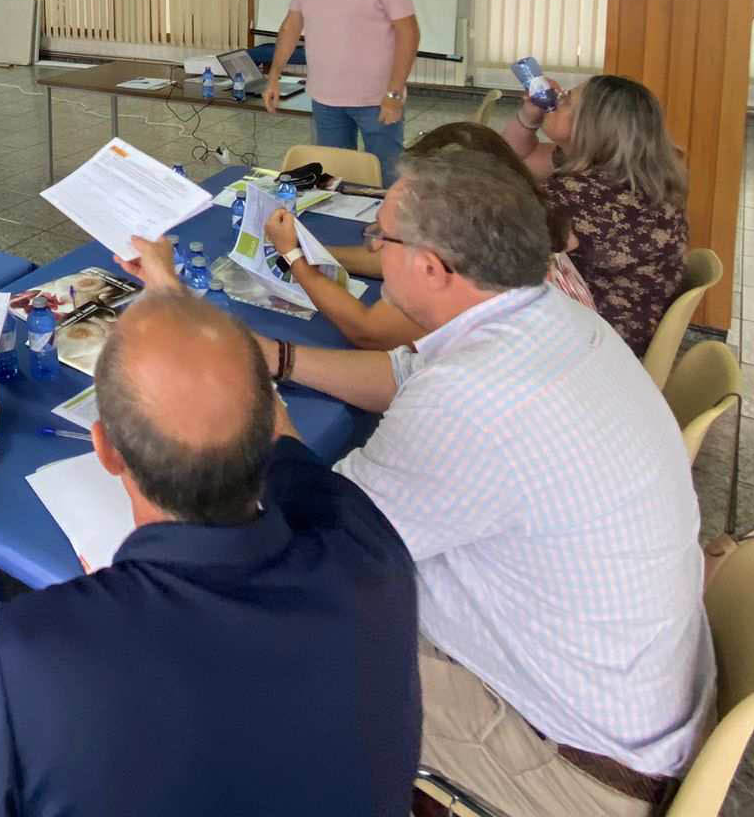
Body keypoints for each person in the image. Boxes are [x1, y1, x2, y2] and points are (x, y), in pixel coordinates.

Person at [260, 150, 713, 817]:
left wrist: (253, 406)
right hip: (623, 694)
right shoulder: (551, 318)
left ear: (433, 269)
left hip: (573, 766)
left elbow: (327, 540)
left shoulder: (477, 399)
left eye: (382, 237)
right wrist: (280, 359)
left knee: (261, 645)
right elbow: (403, 377)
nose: (372, 246)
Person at [0, 277, 420, 817]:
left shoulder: (31, 648)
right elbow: (296, 456)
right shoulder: (370, 550)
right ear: (264, 438)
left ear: (107, 451)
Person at [264, 120, 596, 349]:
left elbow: (368, 332)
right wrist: (310, 249)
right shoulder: (510, 223)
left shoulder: (483, 267)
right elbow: (386, 260)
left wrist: (296, 260)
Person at [502, 73, 690, 356]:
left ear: (590, 126)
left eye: (565, 101)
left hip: (601, 344)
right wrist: (530, 116)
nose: (554, 101)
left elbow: (503, 171)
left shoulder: (581, 195)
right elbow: (517, 161)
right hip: (634, 327)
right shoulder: (630, 171)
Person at [262, 0, 419, 184]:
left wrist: (394, 93)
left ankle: (389, 231)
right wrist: (273, 77)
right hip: (325, 98)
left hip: (376, 99)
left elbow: (407, 30)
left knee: (388, 180)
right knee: (334, 180)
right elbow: (293, 23)